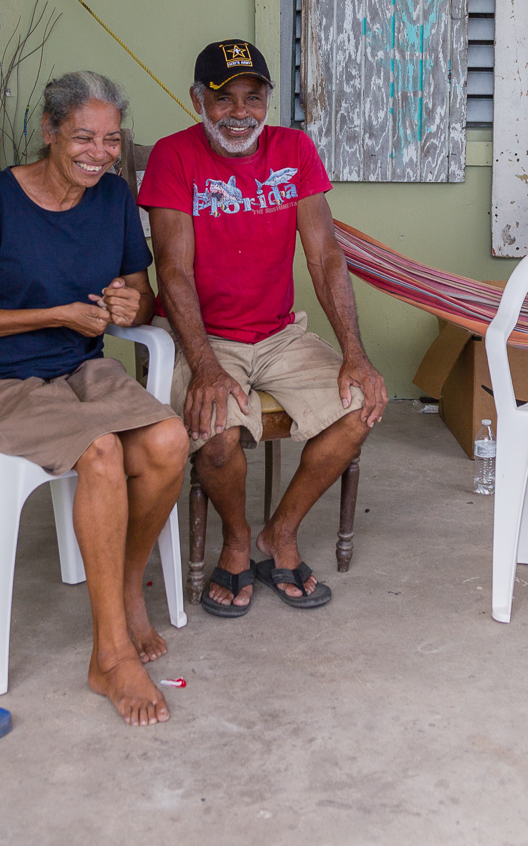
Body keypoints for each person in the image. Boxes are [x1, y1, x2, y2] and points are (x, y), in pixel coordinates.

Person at [0, 71, 189, 726]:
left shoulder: (111, 200)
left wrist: (136, 302)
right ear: (49, 132)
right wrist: (52, 313)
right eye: (83, 136)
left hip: (79, 369)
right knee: (101, 453)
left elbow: (139, 289)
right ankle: (109, 653)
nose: (99, 152)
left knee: (168, 441)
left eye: (111, 139)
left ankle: (128, 587)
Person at [140, 40, 389, 617]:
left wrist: (355, 352)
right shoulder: (174, 158)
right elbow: (172, 270)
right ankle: (234, 538)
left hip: (278, 334)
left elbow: (325, 257)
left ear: (269, 101)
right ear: (198, 100)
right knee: (218, 430)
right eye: (224, 100)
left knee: (361, 406)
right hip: (205, 337)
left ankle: (281, 533)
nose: (240, 113)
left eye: (254, 98)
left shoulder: (295, 150)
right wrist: (202, 363)